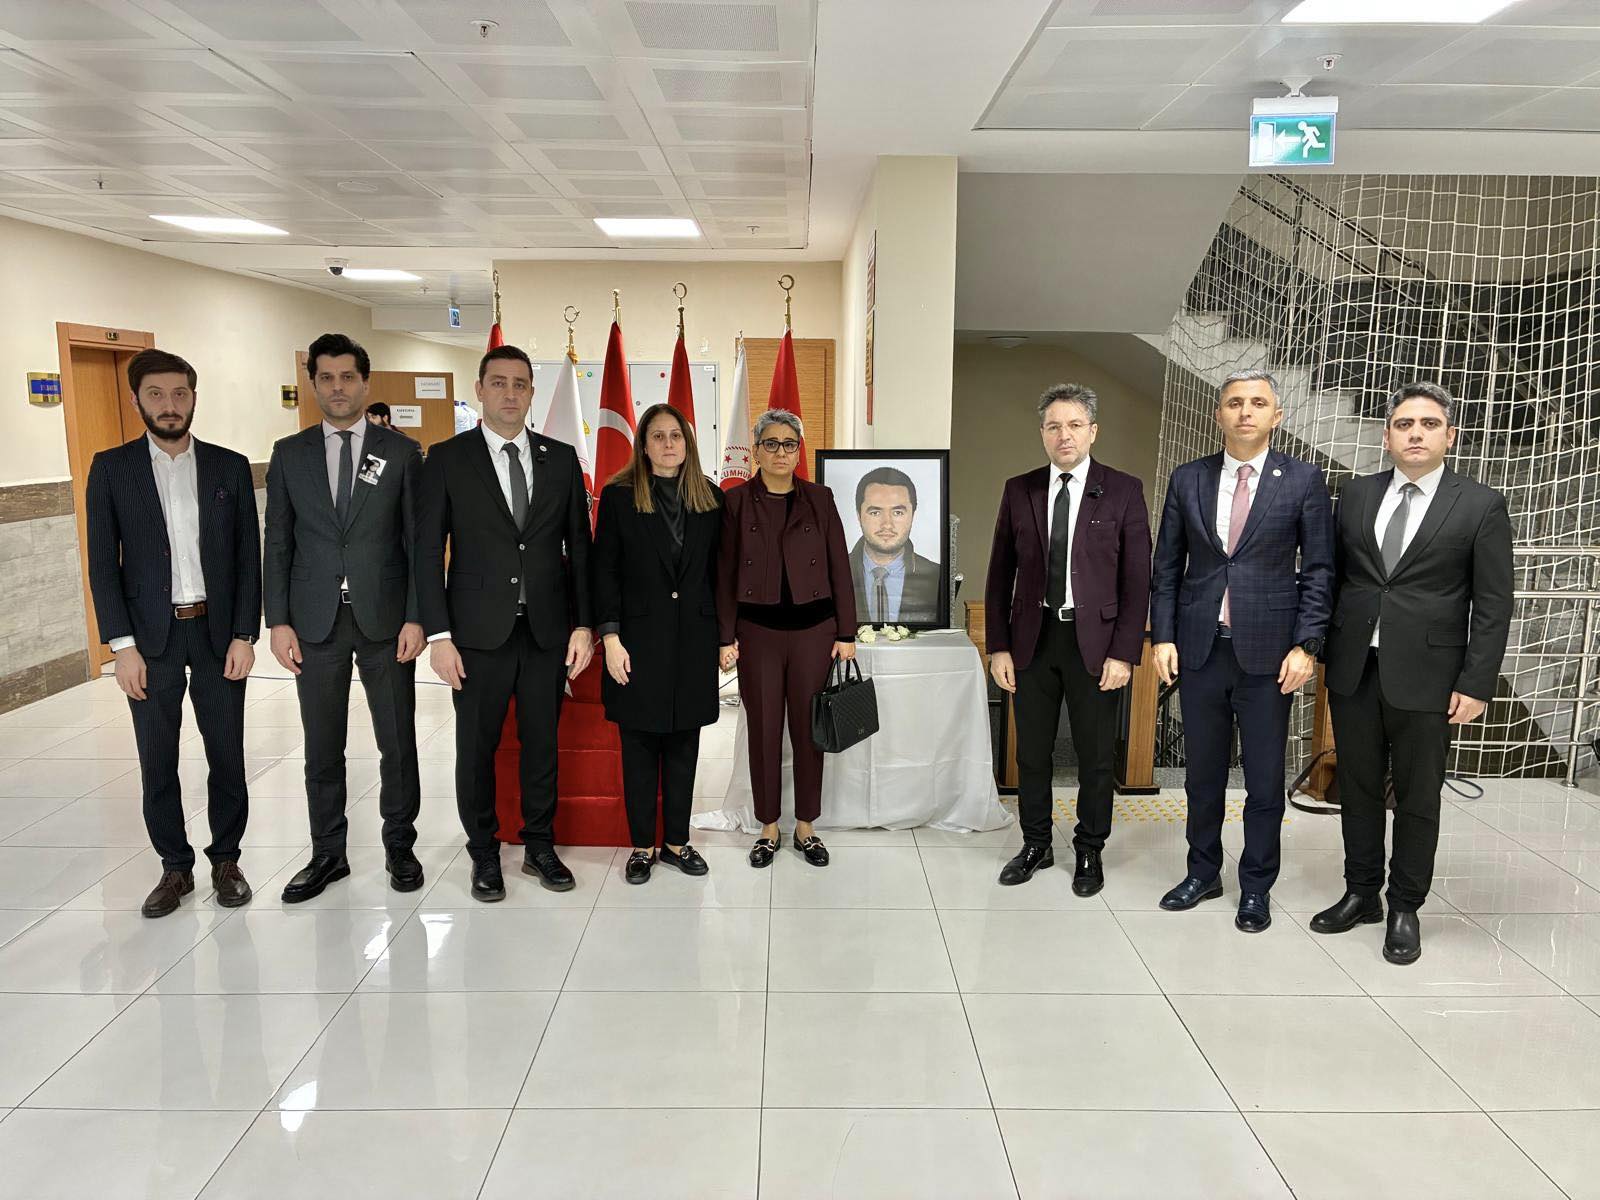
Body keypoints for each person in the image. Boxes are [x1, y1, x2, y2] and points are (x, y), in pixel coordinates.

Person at [1310, 382, 1512, 964]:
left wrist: (1476, 682)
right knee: (1357, 787)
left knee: (1418, 796)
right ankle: (1361, 892)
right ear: (1386, 436)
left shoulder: (1480, 504)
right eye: (1404, 424)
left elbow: (1493, 603)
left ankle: (1404, 905)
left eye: (1428, 424)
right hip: (1355, 668)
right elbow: (1336, 577)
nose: (1415, 434)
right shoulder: (1355, 494)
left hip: (1432, 676)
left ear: (1450, 435)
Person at [1149, 370, 1334, 933]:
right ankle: (1202, 872)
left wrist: (1307, 645)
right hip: (1201, 650)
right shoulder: (1189, 478)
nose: (1245, 411)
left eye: (1257, 403)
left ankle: (1256, 886)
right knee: (1202, 776)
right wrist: (1163, 636)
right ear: (1219, 414)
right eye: (1234, 402)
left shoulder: (1303, 479)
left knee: (1263, 781)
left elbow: (1320, 571)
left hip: (1270, 657)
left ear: (1276, 416)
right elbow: (1166, 568)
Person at [84, 348, 260, 918]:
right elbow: (102, 565)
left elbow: (247, 558)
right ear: (137, 400)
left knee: (226, 754)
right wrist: (121, 647)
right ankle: (174, 866)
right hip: (149, 642)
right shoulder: (112, 469)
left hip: (217, 634)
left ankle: (227, 860)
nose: (169, 405)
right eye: (156, 394)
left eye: (179, 393)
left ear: (193, 398)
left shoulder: (229, 467)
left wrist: (244, 634)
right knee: (157, 760)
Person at [416, 344, 593, 901]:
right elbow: (427, 552)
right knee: (477, 749)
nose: (510, 394)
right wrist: (439, 636)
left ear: (532, 393)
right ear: (480, 390)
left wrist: (583, 625)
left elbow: (579, 548)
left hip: (545, 632)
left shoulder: (560, 458)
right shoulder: (447, 458)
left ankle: (539, 845)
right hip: (475, 635)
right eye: (498, 383)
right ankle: (484, 851)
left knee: (542, 745)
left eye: (520, 384)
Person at [263, 333, 426, 902]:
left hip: (386, 621)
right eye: (326, 378)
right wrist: (278, 621)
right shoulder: (290, 453)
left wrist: (417, 616)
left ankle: (399, 845)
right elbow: (277, 541)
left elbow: (417, 543)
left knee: (397, 742)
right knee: (322, 745)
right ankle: (328, 853)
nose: (337, 388)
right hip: (316, 622)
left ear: (364, 382)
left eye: (348, 377)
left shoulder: (400, 453)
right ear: (313, 383)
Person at [984, 384, 1151, 891]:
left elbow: (1137, 580)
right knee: (1031, 754)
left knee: (1095, 757)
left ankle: (1089, 849)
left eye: (1075, 425)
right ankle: (1035, 843)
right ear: (1042, 433)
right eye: (1054, 426)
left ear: (1092, 431)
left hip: (1096, 646)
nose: (1065, 435)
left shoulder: (1123, 490)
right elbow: (999, 574)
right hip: (1032, 639)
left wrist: (1124, 652)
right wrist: (999, 645)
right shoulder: (1020, 489)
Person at [717, 410, 857, 869]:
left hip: (814, 633)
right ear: (756, 451)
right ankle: (768, 827)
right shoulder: (736, 502)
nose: (781, 452)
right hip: (757, 634)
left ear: (799, 451)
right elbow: (724, 573)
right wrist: (725, 636)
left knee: (807, 732)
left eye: (789, 444)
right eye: (771, 443)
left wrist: (847, 631)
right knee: (763, 733)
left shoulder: (820, 498)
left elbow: (839, 565)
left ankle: (806, 827)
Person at [593, 404, 722, 884]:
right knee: (640, 747)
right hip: (636, 643)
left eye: (676, 436)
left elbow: (719, 575)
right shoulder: (619, 497)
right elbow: (604, 571)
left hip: (694, 641)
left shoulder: (711, 498)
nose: (669, 444)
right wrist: (610, 637)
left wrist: (725, 639)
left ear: (688, 443)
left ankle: (677, 843)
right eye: (658, 436)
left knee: (685, 745)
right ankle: (642, 846)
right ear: (643, 446)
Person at [849, 465, 943, 626]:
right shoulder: (832, 575)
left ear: (912, 515)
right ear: (859, 516)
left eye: (897, 512)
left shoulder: (938, 577)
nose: (887, 524)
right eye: (875, 512)